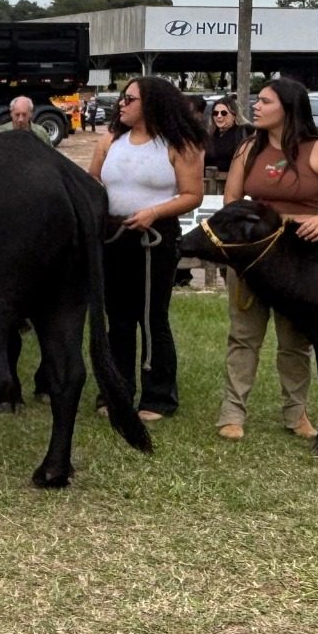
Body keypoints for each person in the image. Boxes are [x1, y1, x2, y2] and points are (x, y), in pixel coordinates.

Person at [217, 77, 318, 443]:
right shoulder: (247, 149)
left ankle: (296, 414)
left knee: (296, 341)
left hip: (301, 261)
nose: (256, 107)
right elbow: (231, 203)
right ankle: (232, 413)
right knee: (244, 336)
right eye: (256, 101)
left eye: (264, 101)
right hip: (253, 259)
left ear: (289, 107)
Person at [87, 76, 207, 421]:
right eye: (122, 99)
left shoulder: (180, 144)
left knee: (153, 317)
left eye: (130, 99)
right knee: (118, 319)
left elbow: (192, 195)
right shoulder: (109, 140)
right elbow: (92, 180)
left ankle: (158, 396)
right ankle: (116, 391)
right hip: (113, 235)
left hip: (155, 239)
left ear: (152, 104)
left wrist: (153, 212)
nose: (121, 104)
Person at [206, 95, 250, 174]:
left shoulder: (243, 133)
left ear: (234, 115)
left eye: (224, 113)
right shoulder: (211, 135)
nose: (219, 116)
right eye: (215, 113)